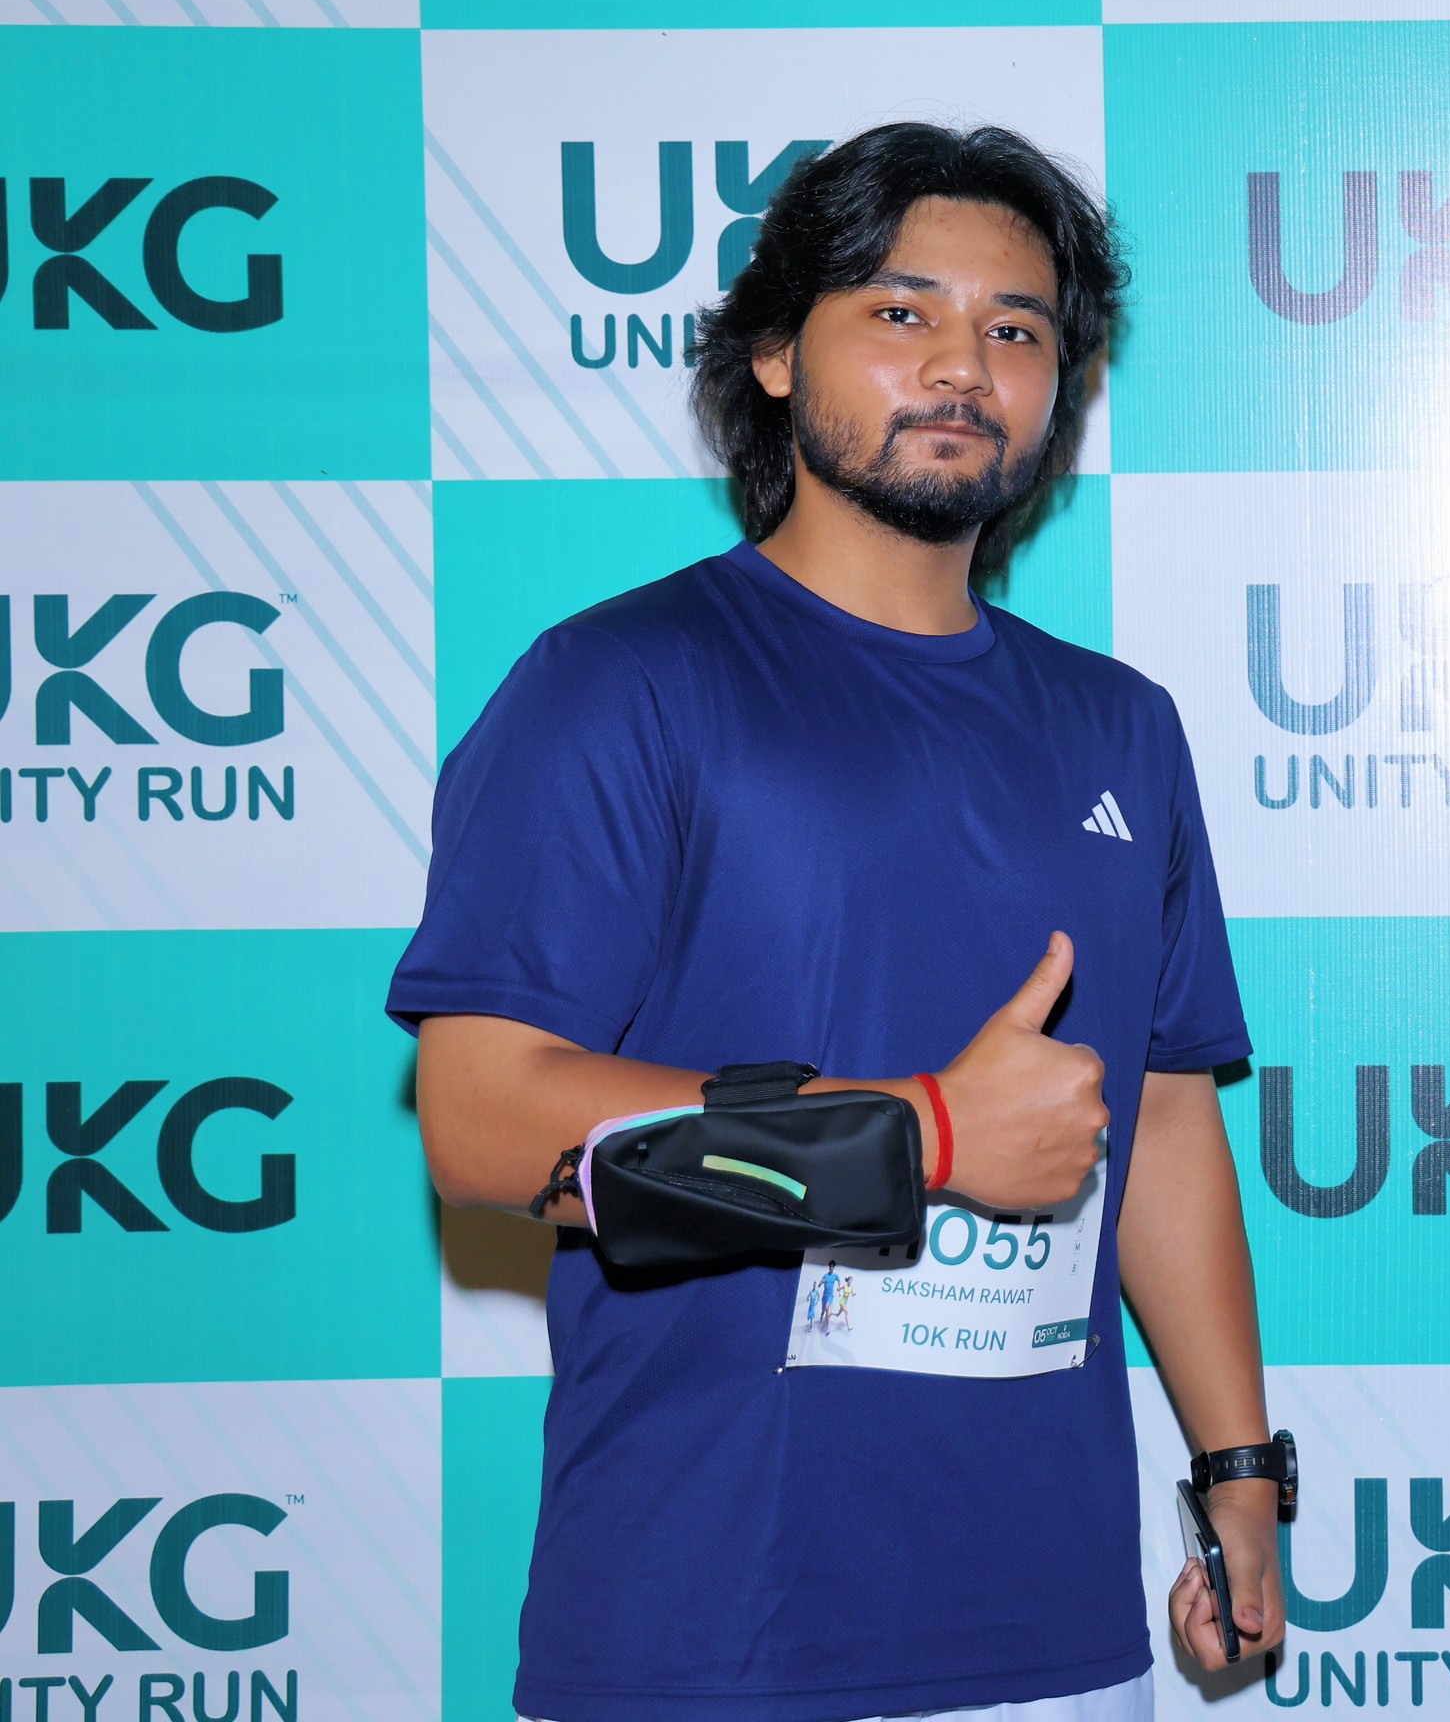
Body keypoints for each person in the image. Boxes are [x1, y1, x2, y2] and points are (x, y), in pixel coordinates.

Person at [395, 122, 1287, 1722]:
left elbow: (1158, 1121)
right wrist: (924, 1132)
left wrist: (1237, 1472)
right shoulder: (619, 686)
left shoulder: (1123, 728)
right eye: (900, 310)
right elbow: (479, 1121)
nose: (962, 365)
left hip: (1056, 1634)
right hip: (712, 1626)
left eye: (1016, 330)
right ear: (773, 353)